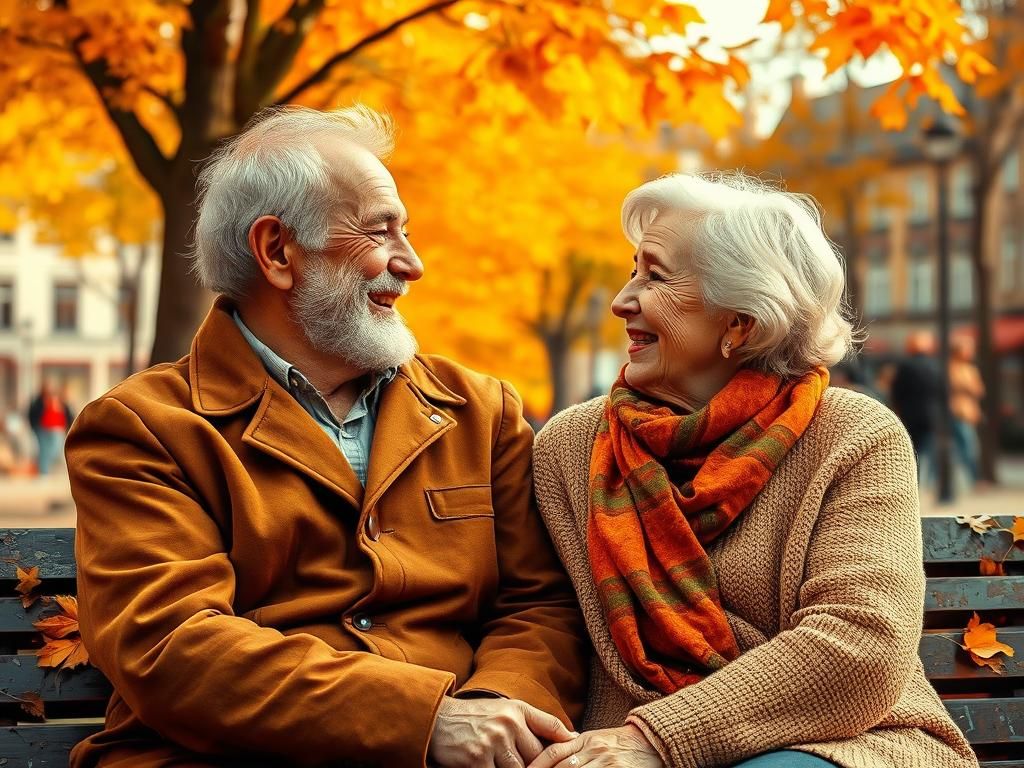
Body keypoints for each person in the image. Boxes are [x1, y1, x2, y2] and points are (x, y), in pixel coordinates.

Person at [65, 105, 586, 768]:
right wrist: (424, 723)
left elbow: (539, 607)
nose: (413, 264)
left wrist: (491, 715)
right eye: (381, 232)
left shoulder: (479, 412)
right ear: (277, 251)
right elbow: (171, 644)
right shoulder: (143, 428)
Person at [529, 173, 978, 768]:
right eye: (631, 271)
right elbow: (537, 621)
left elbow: (860, 647)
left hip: (838, 745)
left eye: (654, 276)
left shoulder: (853, 434)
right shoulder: (569, 446)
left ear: (740, 322)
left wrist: (658, 741)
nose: (622, 300)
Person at [890, 331, 942, 484]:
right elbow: (943, 392)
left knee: (913, 451)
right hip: (931, 416)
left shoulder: (906, 366)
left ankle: (914, 482)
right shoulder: (935, 366)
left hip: (910, 414)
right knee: (929, 451)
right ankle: (930, 482)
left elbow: (897, 391)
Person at [949, 335, 984, 487]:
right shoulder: (951, 368)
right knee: (966, 447)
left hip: (968, 413)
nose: (971, 352)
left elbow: (979, 390)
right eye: (967, 350)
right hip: (955, 412)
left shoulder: (971, 369)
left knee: (969, 447)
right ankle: (973, 480)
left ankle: (973, 479)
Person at [27, 380, 73, 475]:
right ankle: (43, 471)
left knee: (55, 449)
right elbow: (33, 414)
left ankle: (46, 468)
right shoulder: (38, 401)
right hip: (42, 429)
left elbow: (67, 415)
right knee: (44, 449)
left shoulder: (59, 401)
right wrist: (34, 426)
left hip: (56, 429)